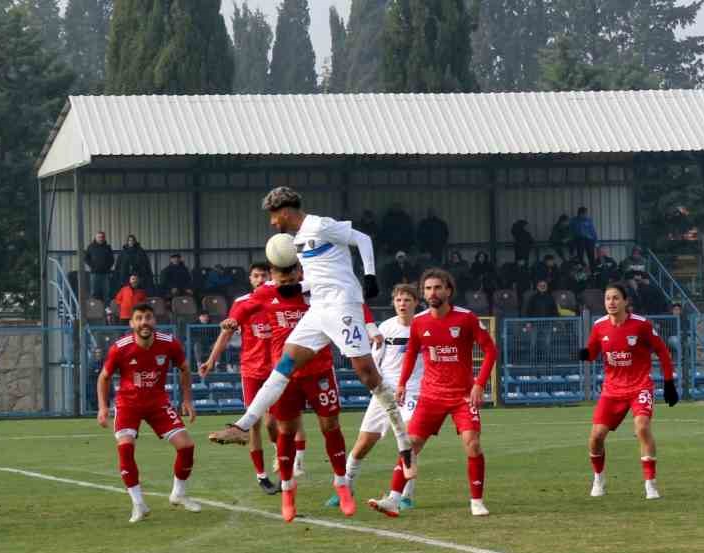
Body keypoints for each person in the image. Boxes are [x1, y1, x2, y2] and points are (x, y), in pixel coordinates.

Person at [208, 188, 415, 485]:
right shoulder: (298, 242)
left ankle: (403, 439)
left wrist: (369, 275)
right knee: (285, 363)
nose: (272, 223)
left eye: (273, 216)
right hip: (318, 308)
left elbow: (363, 239)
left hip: (342, 304)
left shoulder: (320, 224)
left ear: (286, 212)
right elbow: (323, 274)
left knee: (367, 374)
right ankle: (242, 425)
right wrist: (301, 289)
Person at [220, 263, 357, 521]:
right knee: (285, 431)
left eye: (291, 273)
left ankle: (341, 484)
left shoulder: (314, 291)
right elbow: (243, 306)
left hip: (320, 371)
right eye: (281, 274)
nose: (287, 278)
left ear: (299, 272)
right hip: (285, 376)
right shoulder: (264, 293)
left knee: (330, 425)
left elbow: (349, 300)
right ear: (273, 276)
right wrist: (233, 320)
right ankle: (287, 490)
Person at [370, 268, 499, 518]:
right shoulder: (419, 322)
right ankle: (393, 499)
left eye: (438, 287)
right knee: (411, 444)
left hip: (462, 395)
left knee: (472, 443)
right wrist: (402, 383)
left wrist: (479, 384)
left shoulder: (466, 318)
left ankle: (476, 501)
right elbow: (410, 354)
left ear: (448, 291)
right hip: (430, 395)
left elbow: (490, 350)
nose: (432, 292)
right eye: (428, 288)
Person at [96, 303, 201, 523]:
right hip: (128, 404)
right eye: (139, 318)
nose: (144, 322)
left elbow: (184, 368)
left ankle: (179, 494)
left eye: (148, 317)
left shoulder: (169, 343)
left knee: (187, 446)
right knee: (125, 447)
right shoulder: (120, 347)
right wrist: (103, 407)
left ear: (155, 320)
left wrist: (188, 399)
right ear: (131, 323)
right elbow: (104, 377)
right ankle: (138, 504)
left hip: (157, 402)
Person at [199, 262, 297, 496]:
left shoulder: (278, 299)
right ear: (250, 279)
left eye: (264, 275)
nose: (260, 279)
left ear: (271, 277)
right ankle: (262, 476)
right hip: (251, 371)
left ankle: (278, 453)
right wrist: (212, 359)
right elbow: (227, 331)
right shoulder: (243, 303)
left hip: (276, 370)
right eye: (256, 275)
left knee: (273, 422)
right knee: (254, 424)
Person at [576, 284, 678, 499]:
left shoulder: (641, 325)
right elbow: (593, 351)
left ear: (625, 301)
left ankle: (650, 484)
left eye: (615, 298)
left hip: (640, 386)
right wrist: (584, 353)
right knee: (596, 437)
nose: (611, 302)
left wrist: (669, 384)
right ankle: (599, 479)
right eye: (607, 298)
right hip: (612, 390)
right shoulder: (599, 326)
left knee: (641, 427)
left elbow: (662, 352)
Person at [330, 284, 424, 511]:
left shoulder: (423, 326)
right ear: (394, 303)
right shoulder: (386, 328)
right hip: (384, 392)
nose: (402, 304)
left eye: (407, 300)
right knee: (363, 443)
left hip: (413, 392)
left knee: (409, 443)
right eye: (399, 300)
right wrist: (375, 387)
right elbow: (374, 360)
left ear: (416, 303)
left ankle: (405, 495)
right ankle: (346, 488)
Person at [84, 232, 116, 302]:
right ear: (96, 238)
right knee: (94, 292)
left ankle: (107, 309)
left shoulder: (108, 247)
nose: (101, 238)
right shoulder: (91, 247)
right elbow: (86, 258)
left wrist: (107, 267)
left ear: (104, 238)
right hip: (94, 273)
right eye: (99, 237)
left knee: (106, 292)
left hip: (105, 274)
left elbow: (112, 259)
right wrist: (92, 266)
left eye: (102, 237)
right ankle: (94, 309)